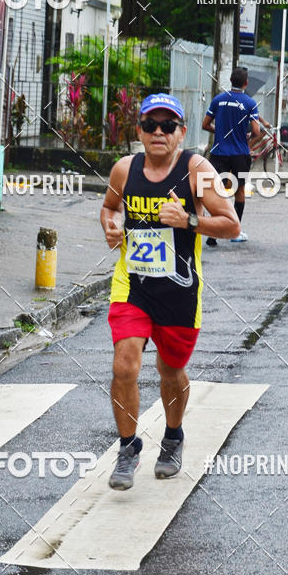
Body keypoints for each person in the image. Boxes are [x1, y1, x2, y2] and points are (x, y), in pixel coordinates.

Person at [101, 93, 240, 490]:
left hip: (180, 290)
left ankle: (173, 436)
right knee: (124, 366)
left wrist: (189, 220)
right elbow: (110, 207)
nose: (158, 132)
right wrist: (109, 226)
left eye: (167, 126)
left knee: (170, 370)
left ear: (181, 132)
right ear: (140, 131)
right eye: (150, 125)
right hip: (133, 284)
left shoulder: (198, 170)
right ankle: (128, 448)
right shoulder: (124, 170)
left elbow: (230, 224)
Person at [201, 67, 260, 245]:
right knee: (239, 190)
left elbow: (205, 125)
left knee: (217, 191)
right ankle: (235, 232)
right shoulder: (250, 103)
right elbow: (256, 131)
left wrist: (219, 131)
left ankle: (213, 234)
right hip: (240, 153)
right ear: (246, 83)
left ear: (231, 80)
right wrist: (247, 135)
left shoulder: (218, 99)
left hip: (219, 152)